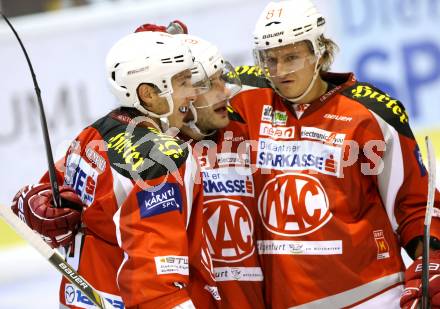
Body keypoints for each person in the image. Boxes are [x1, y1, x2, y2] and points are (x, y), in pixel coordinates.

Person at [225, 0, 440, 308]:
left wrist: (432, 259)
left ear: (321, 52)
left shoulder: (372, 113)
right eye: (270, 60)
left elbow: (414, 203)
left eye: (292, 57)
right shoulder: (248, 100)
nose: (280, 70)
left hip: (373, 296)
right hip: (285, 300)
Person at [11, 30, 219, 309]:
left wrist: (33, 203)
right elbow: (155, 277)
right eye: (182, 82)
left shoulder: (93, 134)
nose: (192, 93)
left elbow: (41, 201)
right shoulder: (161, 160)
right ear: (148, 93)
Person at [175, 33, 266, 309]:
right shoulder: (151, 151)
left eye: (221, 79)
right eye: (208, 85)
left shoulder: (246, 129)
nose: (225, 91)